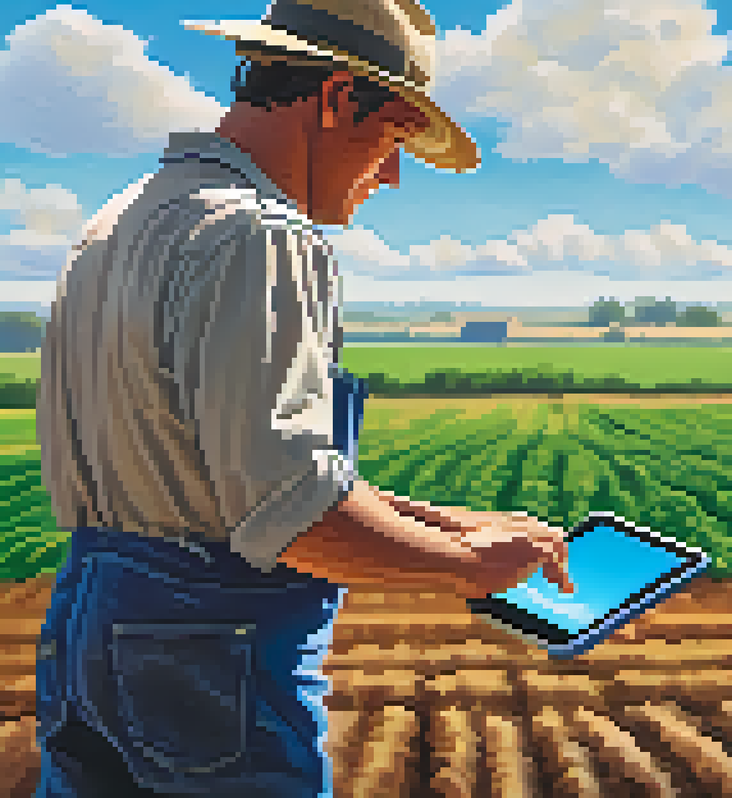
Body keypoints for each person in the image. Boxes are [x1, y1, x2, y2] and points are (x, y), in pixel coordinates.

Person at [32, 1, 574, 795]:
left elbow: (225, 474)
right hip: (210, 654)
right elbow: (292, 514)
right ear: (335, 97)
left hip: (86, 633)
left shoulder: (125, 219)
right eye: (392, 134)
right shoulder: (263, 236)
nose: (391, 173)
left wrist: (458, 523)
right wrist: (468, 566)